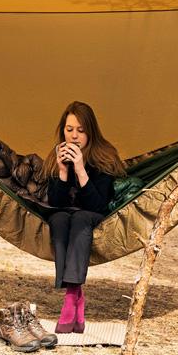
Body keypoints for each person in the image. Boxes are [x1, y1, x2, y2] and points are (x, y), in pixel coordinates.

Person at [43, 101, 126, 333]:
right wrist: (62, 171)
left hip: (92, 217)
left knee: (78, 219)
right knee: (58, 219)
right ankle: (76, 298)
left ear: (90, 131)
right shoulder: (57, 155)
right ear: (63, 130)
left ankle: (70, 298)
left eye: (81, 130)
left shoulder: (105, 156)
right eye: (69, 129)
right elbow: (55, 204)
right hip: (65, 217)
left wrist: (80, 169)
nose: (74, 136)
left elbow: (98, 204)